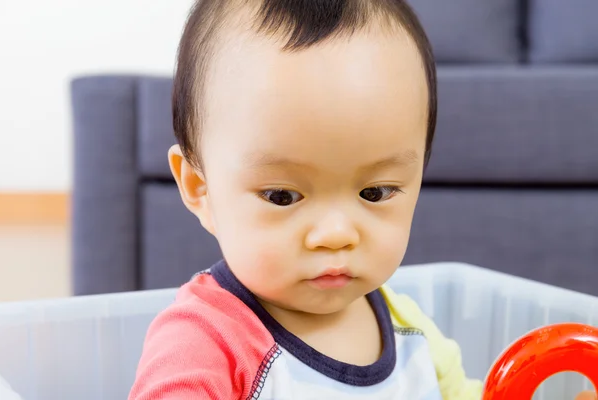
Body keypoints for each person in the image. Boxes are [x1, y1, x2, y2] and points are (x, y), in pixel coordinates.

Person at [128, 1, 597, 399]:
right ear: (199, 188)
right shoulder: (206, 342)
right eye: (282, 195)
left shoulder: (407, 325)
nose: (336, 233)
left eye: (374, 192)